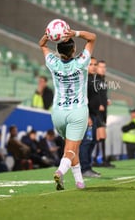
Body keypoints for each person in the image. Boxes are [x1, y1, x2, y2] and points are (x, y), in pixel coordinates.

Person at [39, 26, 96, 190]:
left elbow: (42, 45)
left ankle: (80, 182)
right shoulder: (81, 62)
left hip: (58, 113)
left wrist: (50, 35)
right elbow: (92, 37)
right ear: (74, 49)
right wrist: (75, 33)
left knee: (72, 147)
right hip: (77, 112)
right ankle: (60, 171)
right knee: (70, 151)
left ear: (57, 49)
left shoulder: (53, 63)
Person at [79, 57, 101, 178]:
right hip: (87, 115)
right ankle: (84, 168)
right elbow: (82, 100)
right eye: (90, 64)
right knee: (86, 142)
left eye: (95, 64)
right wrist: (87, 117)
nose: (93, 66)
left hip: (94, 115)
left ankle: (88, 167)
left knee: (92, 141)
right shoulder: (84, 80)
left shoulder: (94, 79)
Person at [93, 60, 114, 167]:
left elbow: (101, 95)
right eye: (101, 67)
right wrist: (99, 104)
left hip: (103, 112)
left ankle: (98, 159)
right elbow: (93, 95)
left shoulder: (103, 81)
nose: (103, 69)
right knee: (100, 136)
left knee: (100, 137)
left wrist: (106, 101)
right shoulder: (95, 80)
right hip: (97, 112)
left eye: (104, 67)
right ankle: (101, 159)